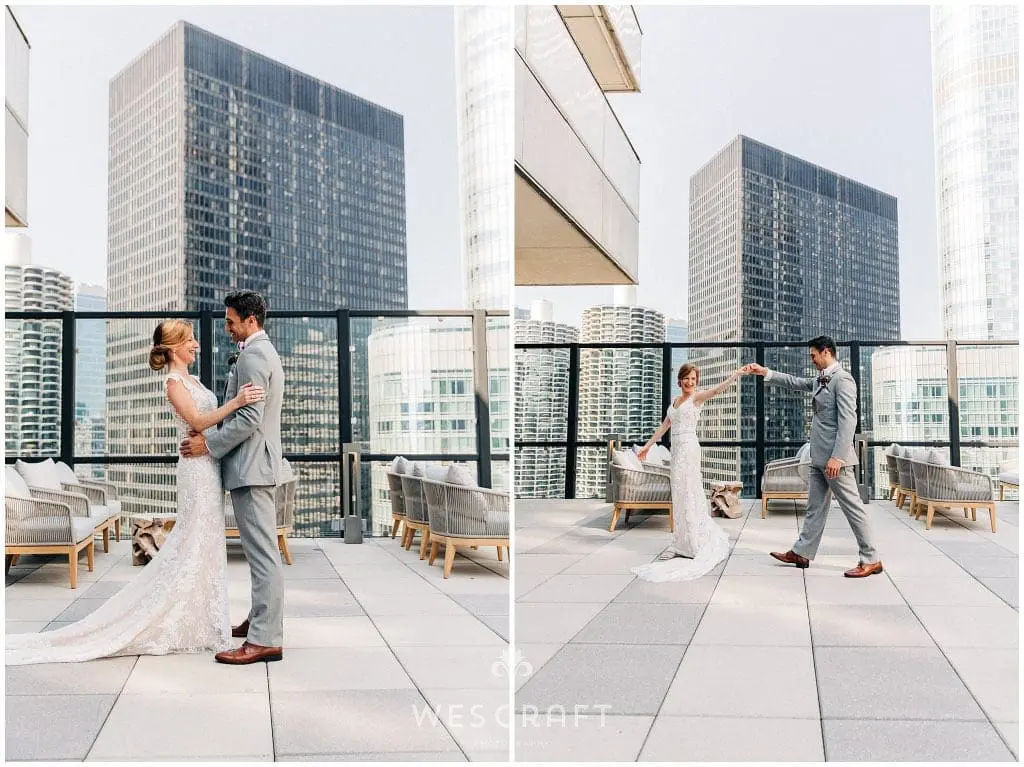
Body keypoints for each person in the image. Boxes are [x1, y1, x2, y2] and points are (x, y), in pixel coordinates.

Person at [6, 319, 264, 665]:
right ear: (173, 347)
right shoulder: (173, 383)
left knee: (206, 543)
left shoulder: (193, 380)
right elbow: (199, 422)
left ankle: (205, 619)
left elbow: (206, 425)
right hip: (195, 471)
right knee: (194, 541)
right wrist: (237, 402)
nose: (196, 345)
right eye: (190, 341)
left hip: (208, 465)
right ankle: (178, 618)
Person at [180, 290, 287, 663]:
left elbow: (249, 418)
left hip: (252, 467)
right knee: (262, 554)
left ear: (250, 321)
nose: (227, 328)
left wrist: (208, 445)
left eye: (230, 322)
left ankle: (265, 639)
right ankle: (261, 622)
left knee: (262, 556)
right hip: (253, 465)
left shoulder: (255, 355)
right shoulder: (258, 352)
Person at [748, 335, 883, 577]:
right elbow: (795, 382)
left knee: (853, 508)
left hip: (834, 461)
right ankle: (802, 552)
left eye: (813, 355)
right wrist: (765, 372)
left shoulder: (843, 380)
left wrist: (838, 457)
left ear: (826, 352)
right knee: (814, 508)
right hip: (818, 456)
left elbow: (848, 421)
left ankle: (871, 559)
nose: (811, 359)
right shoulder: (821, 379)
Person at [631, 362, 751, 582]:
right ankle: (680, 542)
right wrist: (647, 446)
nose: (690, 382)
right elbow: (664, 426)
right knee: (678, 495)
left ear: (697, 381)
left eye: (693, 379)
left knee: (689, 493)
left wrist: (736, 374)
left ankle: (694, 542)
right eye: (687, 378)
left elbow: (717, 390)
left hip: (689, 449)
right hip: (677, 452)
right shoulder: (675, 401)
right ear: (680, 379)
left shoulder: (697, 398)